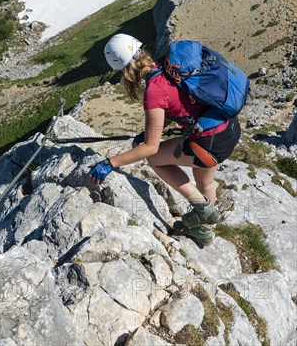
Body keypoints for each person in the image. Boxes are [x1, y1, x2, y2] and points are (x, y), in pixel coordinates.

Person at [88, 33, 241, 246]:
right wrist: (149, 132)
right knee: (205, 183)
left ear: (124, 70)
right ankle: (203, 231)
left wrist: (110, 162)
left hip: (208, 143)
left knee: (155, 159)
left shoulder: (154, 91)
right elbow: (176, 106)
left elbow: (150, 148)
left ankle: (202, 209)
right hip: (228, 127)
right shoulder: (169, 66)